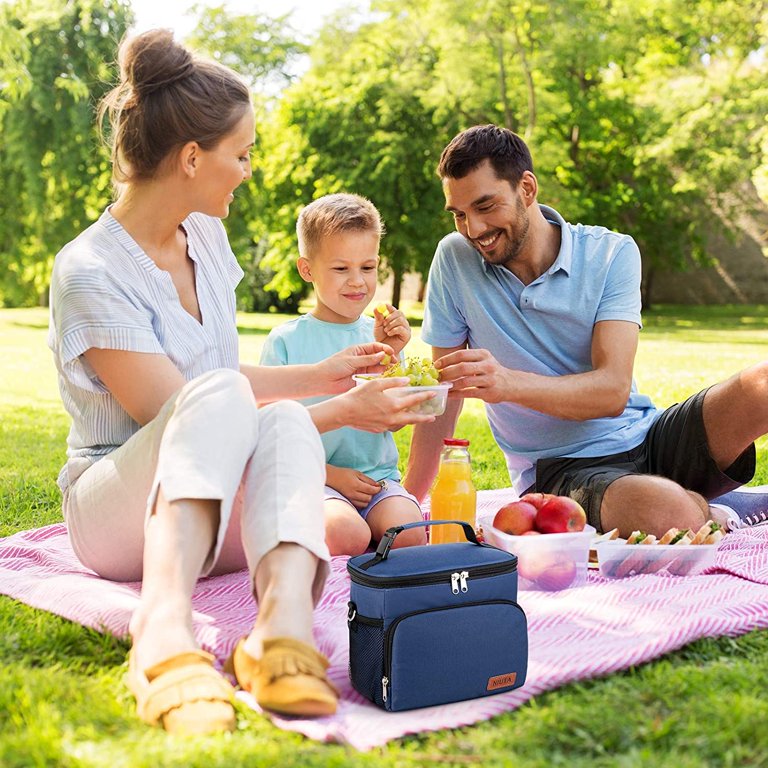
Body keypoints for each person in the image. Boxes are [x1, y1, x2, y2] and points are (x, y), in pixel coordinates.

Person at [47, 30, 435, 736]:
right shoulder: (90, 272)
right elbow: (194, 412)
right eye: (243, 153)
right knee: (256, 408)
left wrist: (321, 376)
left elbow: (221, 389)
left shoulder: (209, 240)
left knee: (285, 419)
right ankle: (162, 630)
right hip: (113, 513)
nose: (249, 170)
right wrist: (340, 405)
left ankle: (280, 631)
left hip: (211, 496)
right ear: (193, 158)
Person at [404, 123, 767, 538]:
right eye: (459, 214)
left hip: (647, 435)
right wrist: (408, 501)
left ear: (527, 188)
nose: (473, 229)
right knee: (669, 514)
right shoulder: (455, 260)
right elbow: (443, 394)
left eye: (486, 207)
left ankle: (687, 496)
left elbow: (612, 392)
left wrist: (507, 383)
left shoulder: (612, 252)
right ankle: (709, 505)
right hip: (560, 468)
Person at [260, 194, 426, 555]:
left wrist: (393, 354)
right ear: (307, 270)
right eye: (341, 269)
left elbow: (393, 423)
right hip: (313, 478)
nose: (357, 282)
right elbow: (271, 431)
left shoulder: (379, 336)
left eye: (367, 268)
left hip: (377, 480)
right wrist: (330, 475)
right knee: (346, 535)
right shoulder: (286, 341)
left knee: (410, 535)